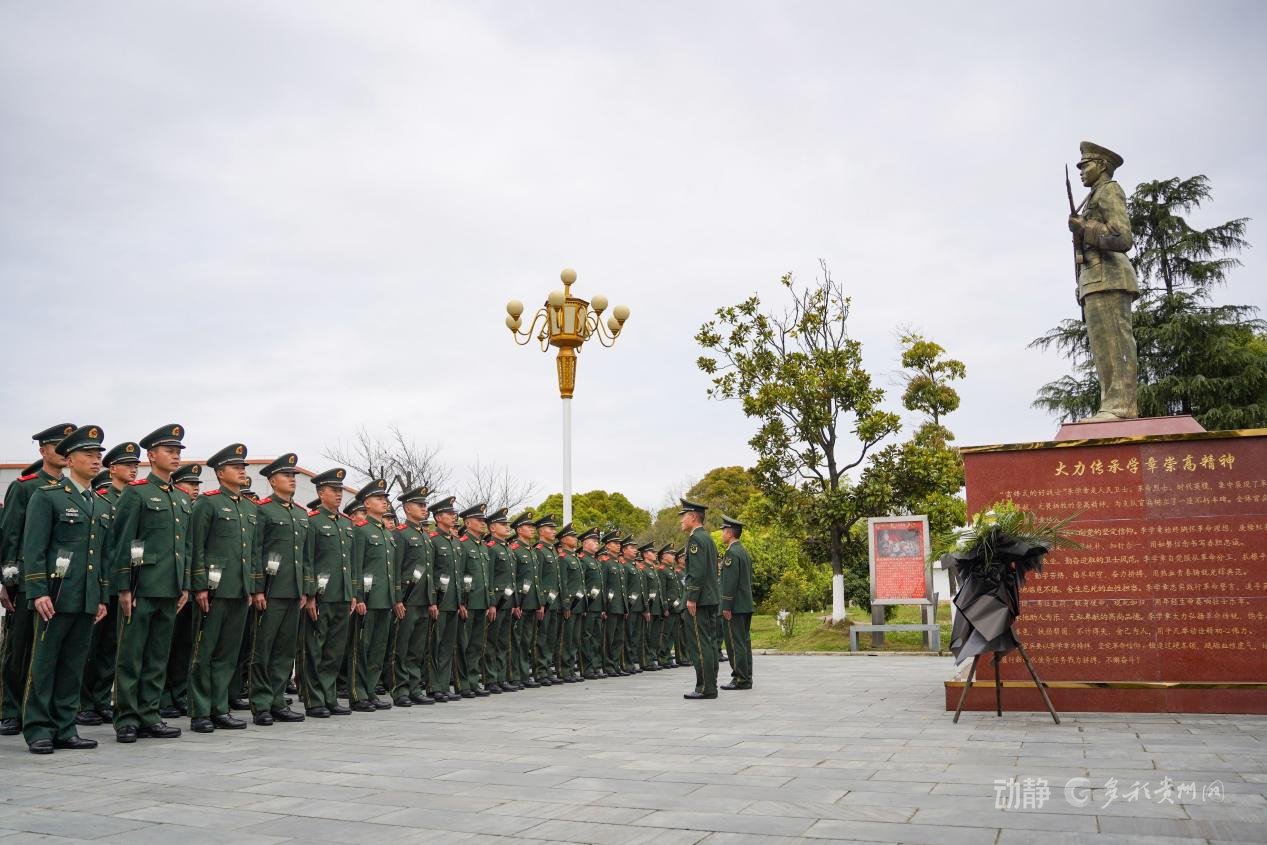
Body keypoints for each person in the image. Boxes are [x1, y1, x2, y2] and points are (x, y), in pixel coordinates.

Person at [20, 425, 110, 753]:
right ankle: (38, 728)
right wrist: (38, 591)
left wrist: (102, 596)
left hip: (86, 598)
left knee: (73, 665)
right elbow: (34, 548)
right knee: (44, 664)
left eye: (98, 454)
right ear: (69, 460)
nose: (96, 460)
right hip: (55, 597)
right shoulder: (49, 496)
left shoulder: (101, 504)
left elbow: (103, 555)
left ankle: (65, 727)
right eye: (88, 454)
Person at [109, 423, 190, 742]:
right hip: (142, 586)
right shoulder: (136, 493)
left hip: (170, 587)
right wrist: (125, 586)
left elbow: (185, 547)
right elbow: (123, 541)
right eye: (169, 451)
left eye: (178, 451)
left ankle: (150, 714)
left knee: (157, 655)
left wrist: (184, 585)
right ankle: (127, 718)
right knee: (131, 655)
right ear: (152, 455)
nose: (176, 456)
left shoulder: (181, 499)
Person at [0, 423, 73, 737]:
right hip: (27, 582)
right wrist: (8, 582)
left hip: (59, 582)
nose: (64, 452)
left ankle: (42, 711)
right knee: (19, 648)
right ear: (43, 450)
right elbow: (10, 536)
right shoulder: (26, 487)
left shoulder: (71, 490)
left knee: (47, 652)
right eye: (58, 446)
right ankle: (10, 709)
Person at [188, 444, 262, 733]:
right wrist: (199, 585)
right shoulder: (208, 503)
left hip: (239, 589)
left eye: (243, 467)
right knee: (204, 652)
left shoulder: (248, 507)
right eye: (236, 467)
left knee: (227, 654)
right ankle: (200, 711)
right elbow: (196, 546)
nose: (242, 471)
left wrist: (253, 587)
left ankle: (220, 708)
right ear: (220, 473)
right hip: (214, 590)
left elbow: (253, 552)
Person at [1068, 140, 1139, 421]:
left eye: (1086, 165)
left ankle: (1121, 406)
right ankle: (1110, 404)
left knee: (1115, 345)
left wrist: (1084, 226)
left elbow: (1123, 237)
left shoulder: (1109, 190)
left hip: (1109, 277)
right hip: (1095, 280)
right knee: (1103, 350)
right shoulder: (1092, 197)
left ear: (1102, 165)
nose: (1081, 171)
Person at [76, 440, 139, 727]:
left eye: (136, 465)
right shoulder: (103, 498)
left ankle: (101, 700)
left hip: (123, 583)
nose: (133, 470)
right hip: (103, 581)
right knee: (91, 645)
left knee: (111, 646)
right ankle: (84, 702)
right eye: (127, 465)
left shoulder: (134, 497)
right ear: (112, 469)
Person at [249, 453, 310, 725]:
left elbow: (305, 556)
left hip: (293, 591)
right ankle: (261, 704)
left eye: (294, 475)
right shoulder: (263, 510)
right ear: (273, 480)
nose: (292, 480)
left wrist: (305, 589)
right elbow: (255, 550)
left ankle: (277, 700)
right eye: (287, 475)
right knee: (264, 649)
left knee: (285, 651)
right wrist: (258, 588)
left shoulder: (300, 513)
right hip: (271, 591)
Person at [299, 468, 356, 718]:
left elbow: (351, 562)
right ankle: (314, 700)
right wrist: (311, 594)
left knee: (334, 650)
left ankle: (329, 696)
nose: (339, 494)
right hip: (322, 596)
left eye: (340, 490)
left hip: (342, 594)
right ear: (321, 493)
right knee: (315, 649)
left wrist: (353, 592)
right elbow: (307, 559)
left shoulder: (346, 523)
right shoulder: (312, 521)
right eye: (334, 490)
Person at [348, 478, 398, 712]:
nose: (384, 502)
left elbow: (391, 570)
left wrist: (394, 598)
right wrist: (358, 597)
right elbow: (356, 566)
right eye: (379, 498)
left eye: (385, 498)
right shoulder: (361, 530)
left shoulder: (387, 534)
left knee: (378, 649)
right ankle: (358, 694)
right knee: (362, 648)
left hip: (384, 599)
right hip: (367, 600)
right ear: (367, 503)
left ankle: (370, 690)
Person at [158, 462, 202, 719]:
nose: (194, 489)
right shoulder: (175, 507)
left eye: (197, 485)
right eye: (190, 484)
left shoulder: (193, 509)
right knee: (167, 644)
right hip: (169, 585)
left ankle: (179, 693)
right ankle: (163, 697)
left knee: (185, 644)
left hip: (190, 587)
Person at [391, 486, 436, 707]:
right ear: (408, 508)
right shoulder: (400, 534)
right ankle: (400, 689)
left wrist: (432, 600)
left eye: (425, 505)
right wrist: (398, 598)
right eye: (420, 505)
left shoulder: (425, 536)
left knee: (417, 648)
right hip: (407, 600)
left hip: (423, 599)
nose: (424, 508)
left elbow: (430, 572)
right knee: (402, 646)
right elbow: (396, 568)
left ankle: (414, 687)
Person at [679, 498, 719, 700]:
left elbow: (697, 571)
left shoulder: (696, 539)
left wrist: (692, 597)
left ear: (693, 517)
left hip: (700, 601)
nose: (681, 521)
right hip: (710, 598)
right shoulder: (708, 538)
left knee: (700, 644)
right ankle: (710, 684)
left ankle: (705, 687)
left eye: (683, 516)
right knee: (709, 642)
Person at [426, 496, 462, 702]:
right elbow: (430, 573)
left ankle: (443, 683)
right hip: (439, 601)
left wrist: (461, 601)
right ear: (438, 517)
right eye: (449, 514)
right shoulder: (433, 541)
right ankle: (433, 686)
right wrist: (433, 601)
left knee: (447, 645)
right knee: (435, 644)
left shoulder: (455, 542)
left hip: (453, 600)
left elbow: (459, 575)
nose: (453, 516)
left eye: (453, 513)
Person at [456, 503, 493, 698]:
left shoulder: (484, 547)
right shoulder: (463, 544)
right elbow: (460, 574)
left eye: (484, 520)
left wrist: (490, 602)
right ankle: (462, 683)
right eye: (479, 520)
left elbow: (488, 578)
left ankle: (472, 680)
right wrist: (461, 601)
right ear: (468, 523)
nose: (483, 523)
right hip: (468, 602)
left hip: (481, 601)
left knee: (477, 645)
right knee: (463, 644)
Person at [482, 508, 517, 692]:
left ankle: (502, 677)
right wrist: (491, 603)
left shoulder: (508, 549)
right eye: (503, 524)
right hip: (497, 601)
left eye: (507, 524)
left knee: (504, 642)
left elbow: (512, 579)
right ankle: (491, 678)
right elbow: (489, 577)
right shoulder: (491, 548)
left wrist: (515, 603)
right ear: (493, 528)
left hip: (508, 601)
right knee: (492, 641)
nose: (507, 527)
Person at [719, 515, 754, 691]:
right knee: (744, 642)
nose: (721, 535)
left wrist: (726, 606)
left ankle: (740, 678)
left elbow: (730, 582)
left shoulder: (732, 553)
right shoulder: (743, 551)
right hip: (745, 604)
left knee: (735, 643)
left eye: (723, 531)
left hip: (735, 606)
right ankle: (747, 676)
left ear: (730, 533)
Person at [509, 511, 542, 688]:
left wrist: (540, 602)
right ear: (519, 530)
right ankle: (515, 675)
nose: (532, 529)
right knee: (516, 640)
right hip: (520, 603)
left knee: (526, 640)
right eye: (528, 527)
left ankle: (523, 674)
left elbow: (536, 580)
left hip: (531, 602)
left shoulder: (531, 552)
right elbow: (513, 579)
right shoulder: (515, 550)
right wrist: (515, 603)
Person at [531, 514, 561, 684]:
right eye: (550, 528)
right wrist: (541, 602)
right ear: (541, 531)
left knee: (550, 637)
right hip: (545, 602)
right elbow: (538, 579)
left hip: (554, 601)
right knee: (541, 637)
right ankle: (540, 672)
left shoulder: (552, 550)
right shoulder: (539, 550)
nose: (554, 531)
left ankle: (547, 669)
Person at [599, 531, 627, 677]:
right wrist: (604, 607)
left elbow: (622, 588)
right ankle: (608, 665)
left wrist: (625, 607)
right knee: (608, 638)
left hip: (620, 606)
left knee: (618, 638)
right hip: (611, 607)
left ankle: (615, 664)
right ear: (608, 546)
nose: (618, 545)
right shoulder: (605, 563)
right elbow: (603, 586)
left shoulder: (619, 564)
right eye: (615, 543)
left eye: (619, 543)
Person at [579, 527, 605, 679]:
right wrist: (583, 605)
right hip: (588, 605)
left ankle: (596, 666)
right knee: (586, 637)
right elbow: (582, 584)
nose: (597, 544)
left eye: (597, 541)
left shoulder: (595, 561)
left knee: (596, 637)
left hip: (597, 606)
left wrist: (602, 606)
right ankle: (586, 668)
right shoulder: (582, 560)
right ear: (585, 543)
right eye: (594, 541)